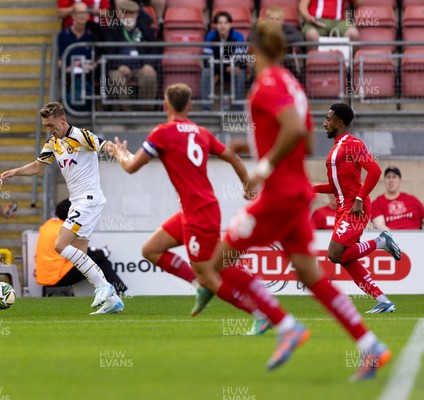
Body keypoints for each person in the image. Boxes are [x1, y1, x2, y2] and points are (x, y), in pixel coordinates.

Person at [143, 21, 390, 380]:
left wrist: (263, 165)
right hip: (296, 194)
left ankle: (283, 324)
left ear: (255, 50)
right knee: (310, 275)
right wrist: (258, 148)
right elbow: (303, 141)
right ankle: (370, 345)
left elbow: (292, 131)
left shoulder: (266, 86)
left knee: (214, 263)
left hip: (276, 197)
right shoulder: (294, 85)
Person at [112, 83, 272, 334]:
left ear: (165, 105)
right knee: (151, 250)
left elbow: (131, 166)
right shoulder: (201, 132)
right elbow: (234, 157)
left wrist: (119, 153)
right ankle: (200, 285)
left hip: (200, 212)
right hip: (195, 210)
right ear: (189, 106)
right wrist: (247, 186)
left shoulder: (162, 133)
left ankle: (259, 313)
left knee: (213, 272)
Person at [0, 101, 125, 315]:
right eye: (46, 126)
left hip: (88, 199)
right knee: (79, 254)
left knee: (60, 245)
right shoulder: (53, 143)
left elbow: (105, 147)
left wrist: (122, 154)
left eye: (51, 125)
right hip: (77, 201)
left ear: (62, 120)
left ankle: (104, 287)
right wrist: (16, 171)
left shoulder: (80, 136)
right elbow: (38, 166)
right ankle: (112, 300)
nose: (49, 129)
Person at [315, 103, 399, 314]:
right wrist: (311, 189)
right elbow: (336, 187)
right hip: (344, 208)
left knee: (335, 254)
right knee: (345, 258)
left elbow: (374, 170)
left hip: (355, 208)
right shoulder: (336, 148)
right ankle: (384, 301)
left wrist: (360, 199)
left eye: (328, 119)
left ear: (339, 122)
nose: (324, 123)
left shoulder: (352, 144)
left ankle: (381, 241)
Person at [36, 199, 128, 295]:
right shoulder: (64, 230)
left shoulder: (48, 224)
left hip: (45, 276)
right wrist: (103, 252)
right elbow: (81, 252)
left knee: (95, 259)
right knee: (101, 261)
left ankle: (113, 291)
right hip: (57, 276)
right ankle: (121, 292)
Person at [103, 0, 159, 110]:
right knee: (116, 77)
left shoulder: (146, 30)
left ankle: (145, 112)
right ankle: (126, 112)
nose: (128, 16)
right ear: (120, 14)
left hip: (140, 68)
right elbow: (107, 52)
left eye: (131, 13)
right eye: (125, 13)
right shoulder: (112, 30)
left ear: (137, 14)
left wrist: (148, 64)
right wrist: (119, 65)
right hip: (120, 68)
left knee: (149, 75)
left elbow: (155, 49)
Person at [201, 11, 247, 111]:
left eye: (225, 23)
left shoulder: (238, 37)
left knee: (241, 74)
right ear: (216, 25)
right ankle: (206, 109)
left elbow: (242, 57)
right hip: (217, 68)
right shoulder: (210, 36)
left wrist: (236, 66)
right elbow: (207, 60)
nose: (223, 26)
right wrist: (225, 68)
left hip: (234, 68)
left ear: (230, 24)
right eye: (220, 23)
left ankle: (238, 110)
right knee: (206, 72)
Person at [57, 2, 98, 111]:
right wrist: (66, 68)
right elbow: (60, 60)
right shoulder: (63, 35)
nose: (82, 15)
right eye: (79, 12)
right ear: (73, 15)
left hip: (89, 76)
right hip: (71, 77)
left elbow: (98, 58)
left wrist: (92, 65)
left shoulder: (93, 34)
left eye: (85, 12)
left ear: (89, 16)